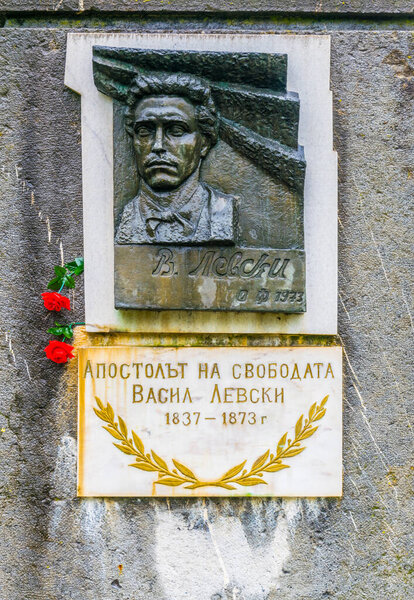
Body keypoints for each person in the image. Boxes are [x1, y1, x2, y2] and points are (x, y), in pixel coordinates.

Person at [115, 72, 236, 245]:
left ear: (204, 143)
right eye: (144, 132)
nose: (157, 146)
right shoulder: (127, 218)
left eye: (176, 131)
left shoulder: (222, 212)